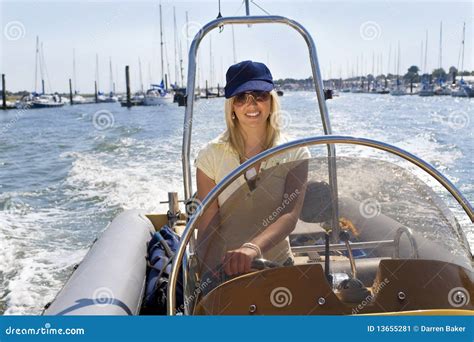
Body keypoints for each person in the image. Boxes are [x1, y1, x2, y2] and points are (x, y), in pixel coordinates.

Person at [195, 60, 309, 278]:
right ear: (232, 106)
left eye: (259, 95)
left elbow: (289, 215)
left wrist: (251, 250)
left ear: (271, 101)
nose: (252, 104)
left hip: (278, 267)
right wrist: (208, 276)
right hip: (224, 270)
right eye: (241, 97)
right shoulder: (210, 155)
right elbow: (209, 222)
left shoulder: (296, 152)